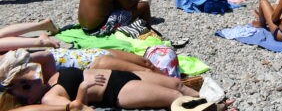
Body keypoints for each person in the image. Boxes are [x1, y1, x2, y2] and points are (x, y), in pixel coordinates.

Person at [0, 49, 200, 110]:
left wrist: (19, 63)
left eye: (25, 78)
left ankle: (215, 103)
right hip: (117, 91)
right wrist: (83, 89)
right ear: (29, 100)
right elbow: (78, 108)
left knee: (177, 83)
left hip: (120, 75)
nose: (32, 81)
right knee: (174, 96)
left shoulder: (49, 78)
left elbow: (47, 56)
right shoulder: (48, 99)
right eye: (26, 86)